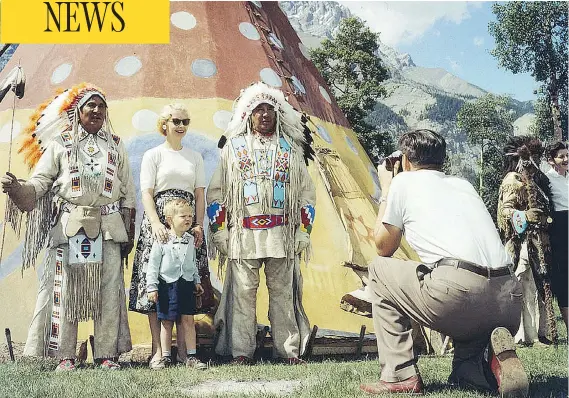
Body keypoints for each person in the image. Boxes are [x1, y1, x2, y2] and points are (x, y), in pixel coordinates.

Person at [360, 130, 528, 397]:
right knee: (452, 283)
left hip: (460, 296)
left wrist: (387, 190)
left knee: (379, 270)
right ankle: (476, 369)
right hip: (508, 300)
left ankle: (400, 375)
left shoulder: (403, 184)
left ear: (405, 160)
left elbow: (383, 247)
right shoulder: (464, 185)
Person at [1, 83, 136, 371]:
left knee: (109, 291)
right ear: (78, 111)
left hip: (108, 226)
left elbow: (128, 190)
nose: (97, 111)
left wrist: (129, 224)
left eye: (101, 106)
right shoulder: (60, 144)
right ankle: (65, 355)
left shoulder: (115, 143)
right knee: (65, 290)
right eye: (91, 105)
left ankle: (106, 354)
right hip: (69, 226)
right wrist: (17, 188)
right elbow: (39, 183)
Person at [207, 82, 315, 365]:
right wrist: (220, 233)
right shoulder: (233, 149)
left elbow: (306, 195)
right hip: (243, 233)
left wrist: (303, 232)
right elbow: (216, 194)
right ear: (248, 115)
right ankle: (241, 351)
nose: (265, 114)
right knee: (242, 294)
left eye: (270, 109)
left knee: (283, 294)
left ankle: (288, 351)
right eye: (258, 110)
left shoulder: (291, 149)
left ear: (278, 114)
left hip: (282, 233)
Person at [128, 103, 210, 369]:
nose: (181, 126)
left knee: (186, 285)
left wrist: (198, 224)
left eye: (185, 121)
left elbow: (199, 194)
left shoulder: (195, 156)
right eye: (176, 120)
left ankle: (187, 353)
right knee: (158, 287)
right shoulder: (153, 155)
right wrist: (155, 223)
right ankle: (158, 350)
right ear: (165, 123)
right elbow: (147, 193)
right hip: (160, 225)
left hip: (186, 224)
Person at [497, 136, 556, 346]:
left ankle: (541, 332)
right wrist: (525, 216)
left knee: (539, 286)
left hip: (539, 239)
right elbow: (506, 212)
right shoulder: (513, 179)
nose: (537, 161)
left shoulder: (535, 178)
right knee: (525, 286)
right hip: (521, 241)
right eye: (535, 156)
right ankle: (525, 335)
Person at [146, 198, 207, 370]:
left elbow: (192, 262)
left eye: (190, 216)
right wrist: (152, 287)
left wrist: (196, 281)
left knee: (188, 320)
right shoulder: (162, 240)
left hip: (186, 284)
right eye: (183, 216)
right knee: (167, 321)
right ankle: (166, 356)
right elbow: (153, 265)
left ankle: (191, 355)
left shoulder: (190, 240)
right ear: (170, 219)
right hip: (167, 285)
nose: (188, 219)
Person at [544, 141, 568, 329]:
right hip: (560, 228)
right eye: (561, 156)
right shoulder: (547, 180)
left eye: (567, 155)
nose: (566, 159)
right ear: (551, 160)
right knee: (564, 277)